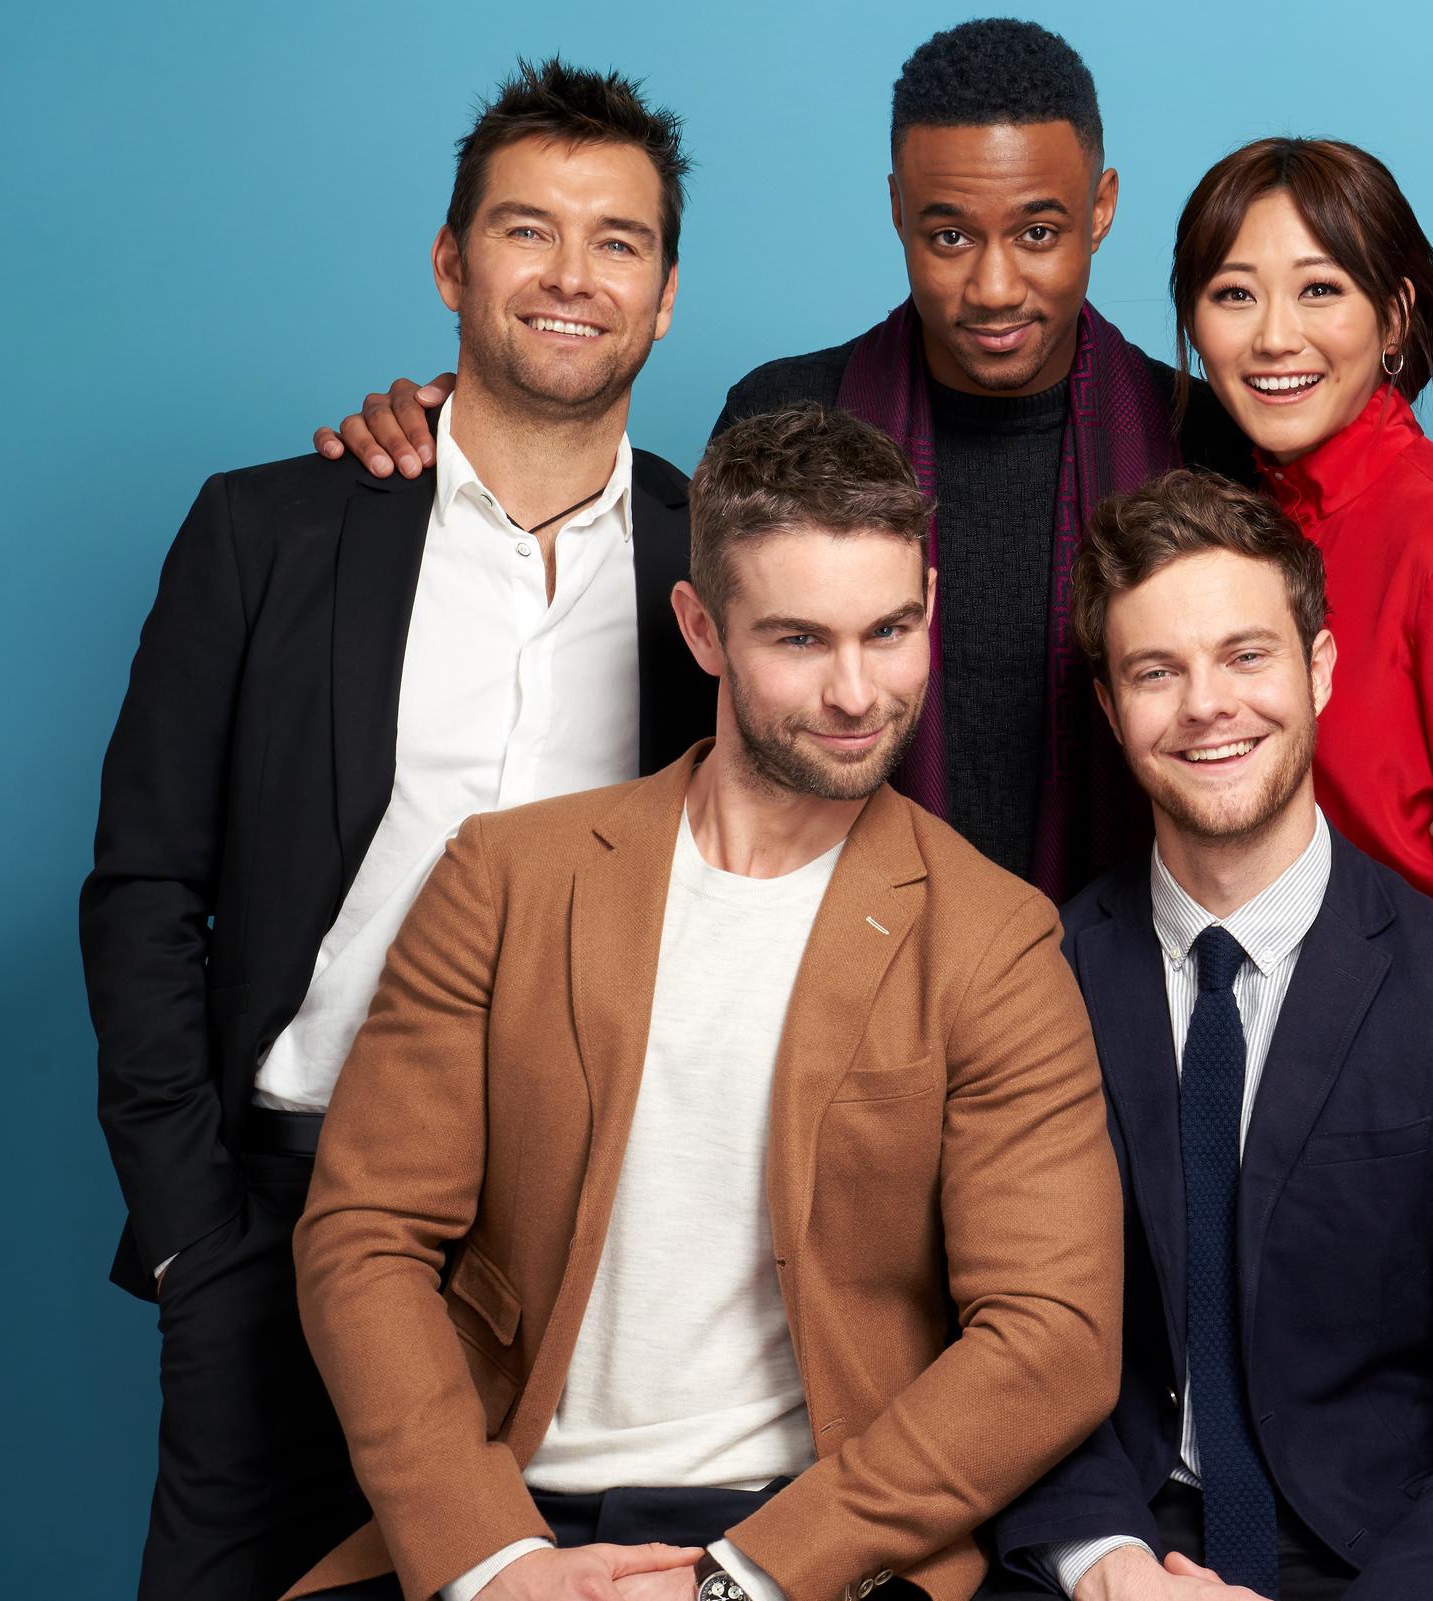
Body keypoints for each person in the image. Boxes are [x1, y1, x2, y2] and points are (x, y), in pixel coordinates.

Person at [285, 403, 1123, 1601]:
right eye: (799, 638)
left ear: (929, 606)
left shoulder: (993, 938)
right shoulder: (504, 876)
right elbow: (365, 1235)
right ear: (703, 629)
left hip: (823, 1537)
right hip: (513, 1502)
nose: (855, 691)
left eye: (889, 630)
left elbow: (1052, 1335)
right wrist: (490, 1555)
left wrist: (747, 1577)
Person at [78, 60, 716, 1601]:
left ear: (668, 295)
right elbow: (146, 886)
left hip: (591, 1251)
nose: (573, 276)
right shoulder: (273, 531)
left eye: (618, 241)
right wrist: (191, 1240)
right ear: (450, 265)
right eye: (527, 231)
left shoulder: (720, 573)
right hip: (286, 1220)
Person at [317, 19, 1246, 899]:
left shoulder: (1197, 438)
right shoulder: (784, 412)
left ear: (1103, 208)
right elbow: (702, 731)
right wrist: (464, 427)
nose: (994, 286)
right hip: (822, 968)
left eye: (1037, 233)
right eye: (949, 235)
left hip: (1138, 976)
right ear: (895, 210)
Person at [983, 470, 1433, 1600]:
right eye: (1155, 671)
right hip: (1118, 1556)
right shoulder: (1035, 982)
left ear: (1319, 666)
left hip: (1400, 1565)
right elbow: (992, 1351)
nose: (1207, 705)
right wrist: (1110, 1566)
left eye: (1246, 655)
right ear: (1110, 704)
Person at [1170, 138, 1433, 911]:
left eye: (1319, 290)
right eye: (1233, 294)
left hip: (1410, 1005)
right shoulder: (1218, 518)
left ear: (1393, 319)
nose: (1275, 338)